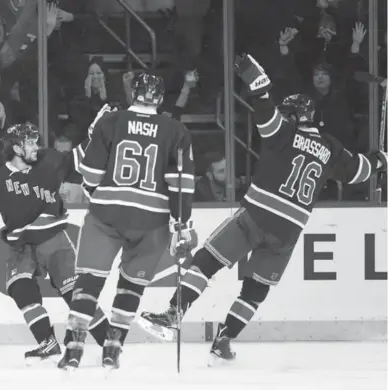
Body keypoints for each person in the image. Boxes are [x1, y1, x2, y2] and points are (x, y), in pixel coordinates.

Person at [138, 54, 388, 365]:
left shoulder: (284, 134)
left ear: (295, 117)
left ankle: (175, 312)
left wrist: (258, 84)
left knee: (206, 261)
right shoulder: (330, 147)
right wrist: (381, 159)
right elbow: (361, 172)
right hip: (288, 231)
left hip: (257, 214)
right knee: (255, 290)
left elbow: (265, 112)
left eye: (288, 114)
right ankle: (224, 340)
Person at [0, 123, 112, 364]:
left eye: (35, 141)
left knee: (77, 296)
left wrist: (96, 133)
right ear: (16, 148)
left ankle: (110, 344)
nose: (36, 146)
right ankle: (48, 343)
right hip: (20, 245)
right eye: (30, 142)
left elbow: (80, 157)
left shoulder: (50, 161)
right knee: (20, 288)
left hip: (54, 240)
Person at [63, 72, 197, 370]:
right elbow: (181, 185)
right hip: (152, 219)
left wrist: (93, 134)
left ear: (132, 94)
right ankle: (113, 348)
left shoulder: (111, 121)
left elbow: (91, 176)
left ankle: (73, 350)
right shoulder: (176, 130)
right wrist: (182, 226)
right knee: (131, 286)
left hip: (107, 213)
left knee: (89, 282)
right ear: (160, 98)